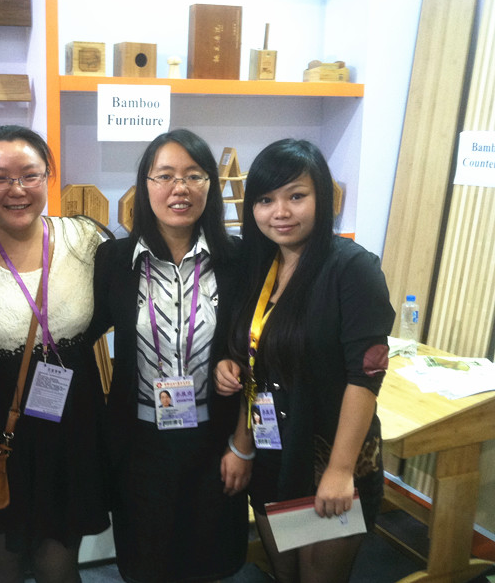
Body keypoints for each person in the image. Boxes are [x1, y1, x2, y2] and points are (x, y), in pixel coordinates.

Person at [213, 139, 395, 583]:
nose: (280, 212)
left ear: (322, 198)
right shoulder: (260, 267)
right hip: (273, 455)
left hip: (327, 458)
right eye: (265, 200)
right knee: (285, 572)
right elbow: (254, 361)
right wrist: (242, 442)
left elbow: (365, 377)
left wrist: (340, 470)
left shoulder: (351, 269)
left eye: (296, 196)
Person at [0, 125, 110, 583]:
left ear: (48, 176)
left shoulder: (85, 241)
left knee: (58, 563)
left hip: (70, 425)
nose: (16, 189)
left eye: (29, 175)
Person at [88, 129, 248, 583]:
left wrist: (242, 442)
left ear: (210, 185)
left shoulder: (237, 260)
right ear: (145, 185)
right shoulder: (115, 260)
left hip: (214, 438)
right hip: (139, 441)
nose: (180, 188)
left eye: (194, 176)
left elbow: (254, 345)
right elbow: (81, 330)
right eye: (165, 176)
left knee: (209, 559)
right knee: (147, 560)